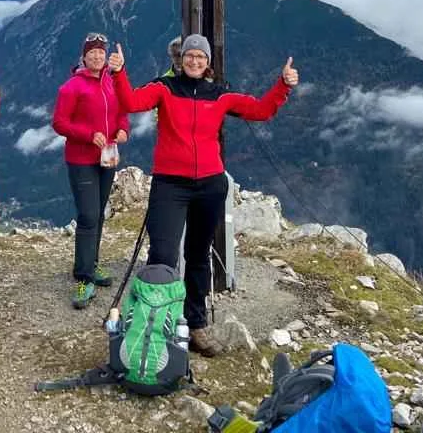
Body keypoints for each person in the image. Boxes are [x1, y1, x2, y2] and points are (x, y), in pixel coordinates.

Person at [108, 34, 300, 357]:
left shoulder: (220, 95)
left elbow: (261, 110)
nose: (194, 61)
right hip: (170, 185)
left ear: (208, 62)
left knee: (199, 256)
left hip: (210, 185)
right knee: (163, 255)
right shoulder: (164, 88)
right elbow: (130, 102)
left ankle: (196, 324)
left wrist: (283, 85)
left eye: (200, 56)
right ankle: (159, 324)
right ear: (180, 59)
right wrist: (119, 71)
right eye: (189, 56)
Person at [52, 33, 130, 310]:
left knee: (97, 213)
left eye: (101, 52)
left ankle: (89, 265)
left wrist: (123, 129)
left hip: (107, 157)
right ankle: (84, 278)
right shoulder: (72, 87)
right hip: (81, 158)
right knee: (87, 216)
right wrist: (88, 135)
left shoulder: (111, 80)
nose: (97, 56)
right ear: (83, 57)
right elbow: (59, 123)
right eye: (92, 52)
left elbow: (122, 110)